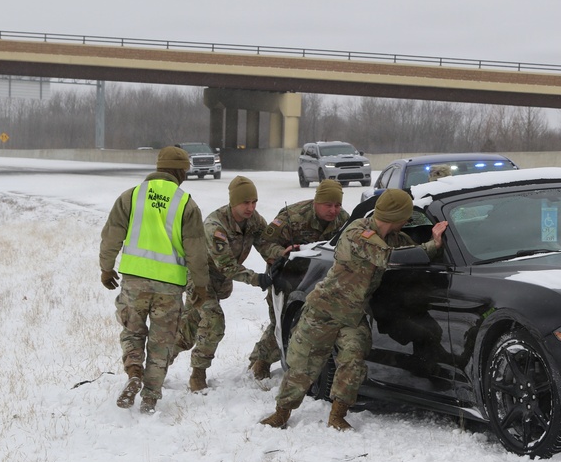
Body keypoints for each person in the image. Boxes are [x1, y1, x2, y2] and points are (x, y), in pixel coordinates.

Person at [259, 189, 448, 431]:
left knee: (353, 361)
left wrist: (434, 243)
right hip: (324, 311)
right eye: (406, 217)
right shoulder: (358, 233)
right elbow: (388, 257)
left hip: (353, 314)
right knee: (304, 364)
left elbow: (411, 251)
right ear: (396, 217)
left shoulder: (392, 236)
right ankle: (281, 414)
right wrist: (433, 244)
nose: (407, 222)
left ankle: (337, 415)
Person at [99, 146, 210, 415]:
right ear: (180, 171)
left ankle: (134, 371)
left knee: (132, 331)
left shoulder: (132, 196)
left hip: (134, 281)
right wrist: (201, 285)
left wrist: (106, 268)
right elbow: (196, 250)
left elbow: (111, 235)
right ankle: (150, 397)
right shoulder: (186, 203)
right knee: (162, 342)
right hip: (169, 287)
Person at [171, 176, 284, 392]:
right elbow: (227, 266)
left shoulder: (254, 220)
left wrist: (281, 254)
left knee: (189, 329)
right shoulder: (215, 226)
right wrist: (258, 279)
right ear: (234, 202)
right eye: (246, 203)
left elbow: (265, 245)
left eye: (254, 202)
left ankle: (159, 361)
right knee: (214, 322)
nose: (251, 207)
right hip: (199, 280)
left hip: (219, 283)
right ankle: (198, 376)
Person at [247, 179, 350, 380]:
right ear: (316, 202)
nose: (333, 210)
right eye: (328, 205)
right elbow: (266, 243)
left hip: (318, 276)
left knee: (304, 322)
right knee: (281, 320)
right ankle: (262, 360)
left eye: (337, 205)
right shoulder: (292, 217)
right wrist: (282, 253)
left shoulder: (343, 219)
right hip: (287, 274)